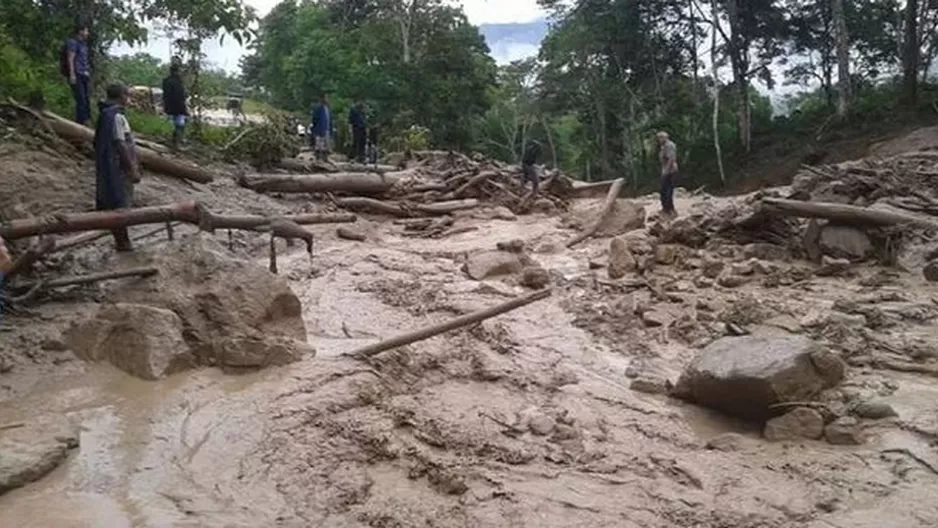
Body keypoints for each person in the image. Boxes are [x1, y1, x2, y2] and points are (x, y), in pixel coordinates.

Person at [94, 84, 140, 252]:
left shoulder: (104, 114)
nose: (128, 100)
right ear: (122, 96)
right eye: (127, 96)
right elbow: (120, 143)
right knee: (121, 204)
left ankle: (121, 241)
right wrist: (132, 169)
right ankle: (123, 243)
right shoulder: (116, 117)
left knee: (113, 202)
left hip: (108, 167)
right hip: (118, 169)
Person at [63, 22, 92, 125]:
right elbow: (70, 58)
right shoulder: (72, 43)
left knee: (86, 99)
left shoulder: (83, 44)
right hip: (77, 74)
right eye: (86, 30)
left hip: (84, 74)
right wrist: (72, 74)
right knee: (81, 99)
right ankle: (80, 123)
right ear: (80, 31)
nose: (87, 33)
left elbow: (83, 59)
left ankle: (86, 120)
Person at [161, 62, 188, 150]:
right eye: (180, 70)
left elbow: (166, 96)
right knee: (179, 125)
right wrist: (183, 109)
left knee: (177, 125)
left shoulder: (166, 81)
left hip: (170, 106)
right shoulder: (177, 82)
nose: (182, 72)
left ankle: (176, 142)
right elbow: (179, 96)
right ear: (177, 71)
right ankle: (177, 144)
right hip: (178, 107)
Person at [656, 131, 679, 218]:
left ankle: (670, 209)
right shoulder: (663, 146)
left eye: (660, 138)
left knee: (667, 190)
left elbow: (671, 159)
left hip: (670, 171)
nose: (659, 140)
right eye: (658, 138)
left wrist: (666, 170)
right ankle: (666, 208)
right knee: (663, 190)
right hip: (666, 170)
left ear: (665, 137)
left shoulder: (670, 145)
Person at [311, 93, 333, 161]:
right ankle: (318, 158)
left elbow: (330, 119)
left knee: (326, 144)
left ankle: (325, 158)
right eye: (326, 98)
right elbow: (314, 119)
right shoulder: (318, 108)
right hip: (320, 129)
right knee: (319, 145)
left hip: (327, 129)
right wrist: (316, 128)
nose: (327, 100)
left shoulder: (328, 108)